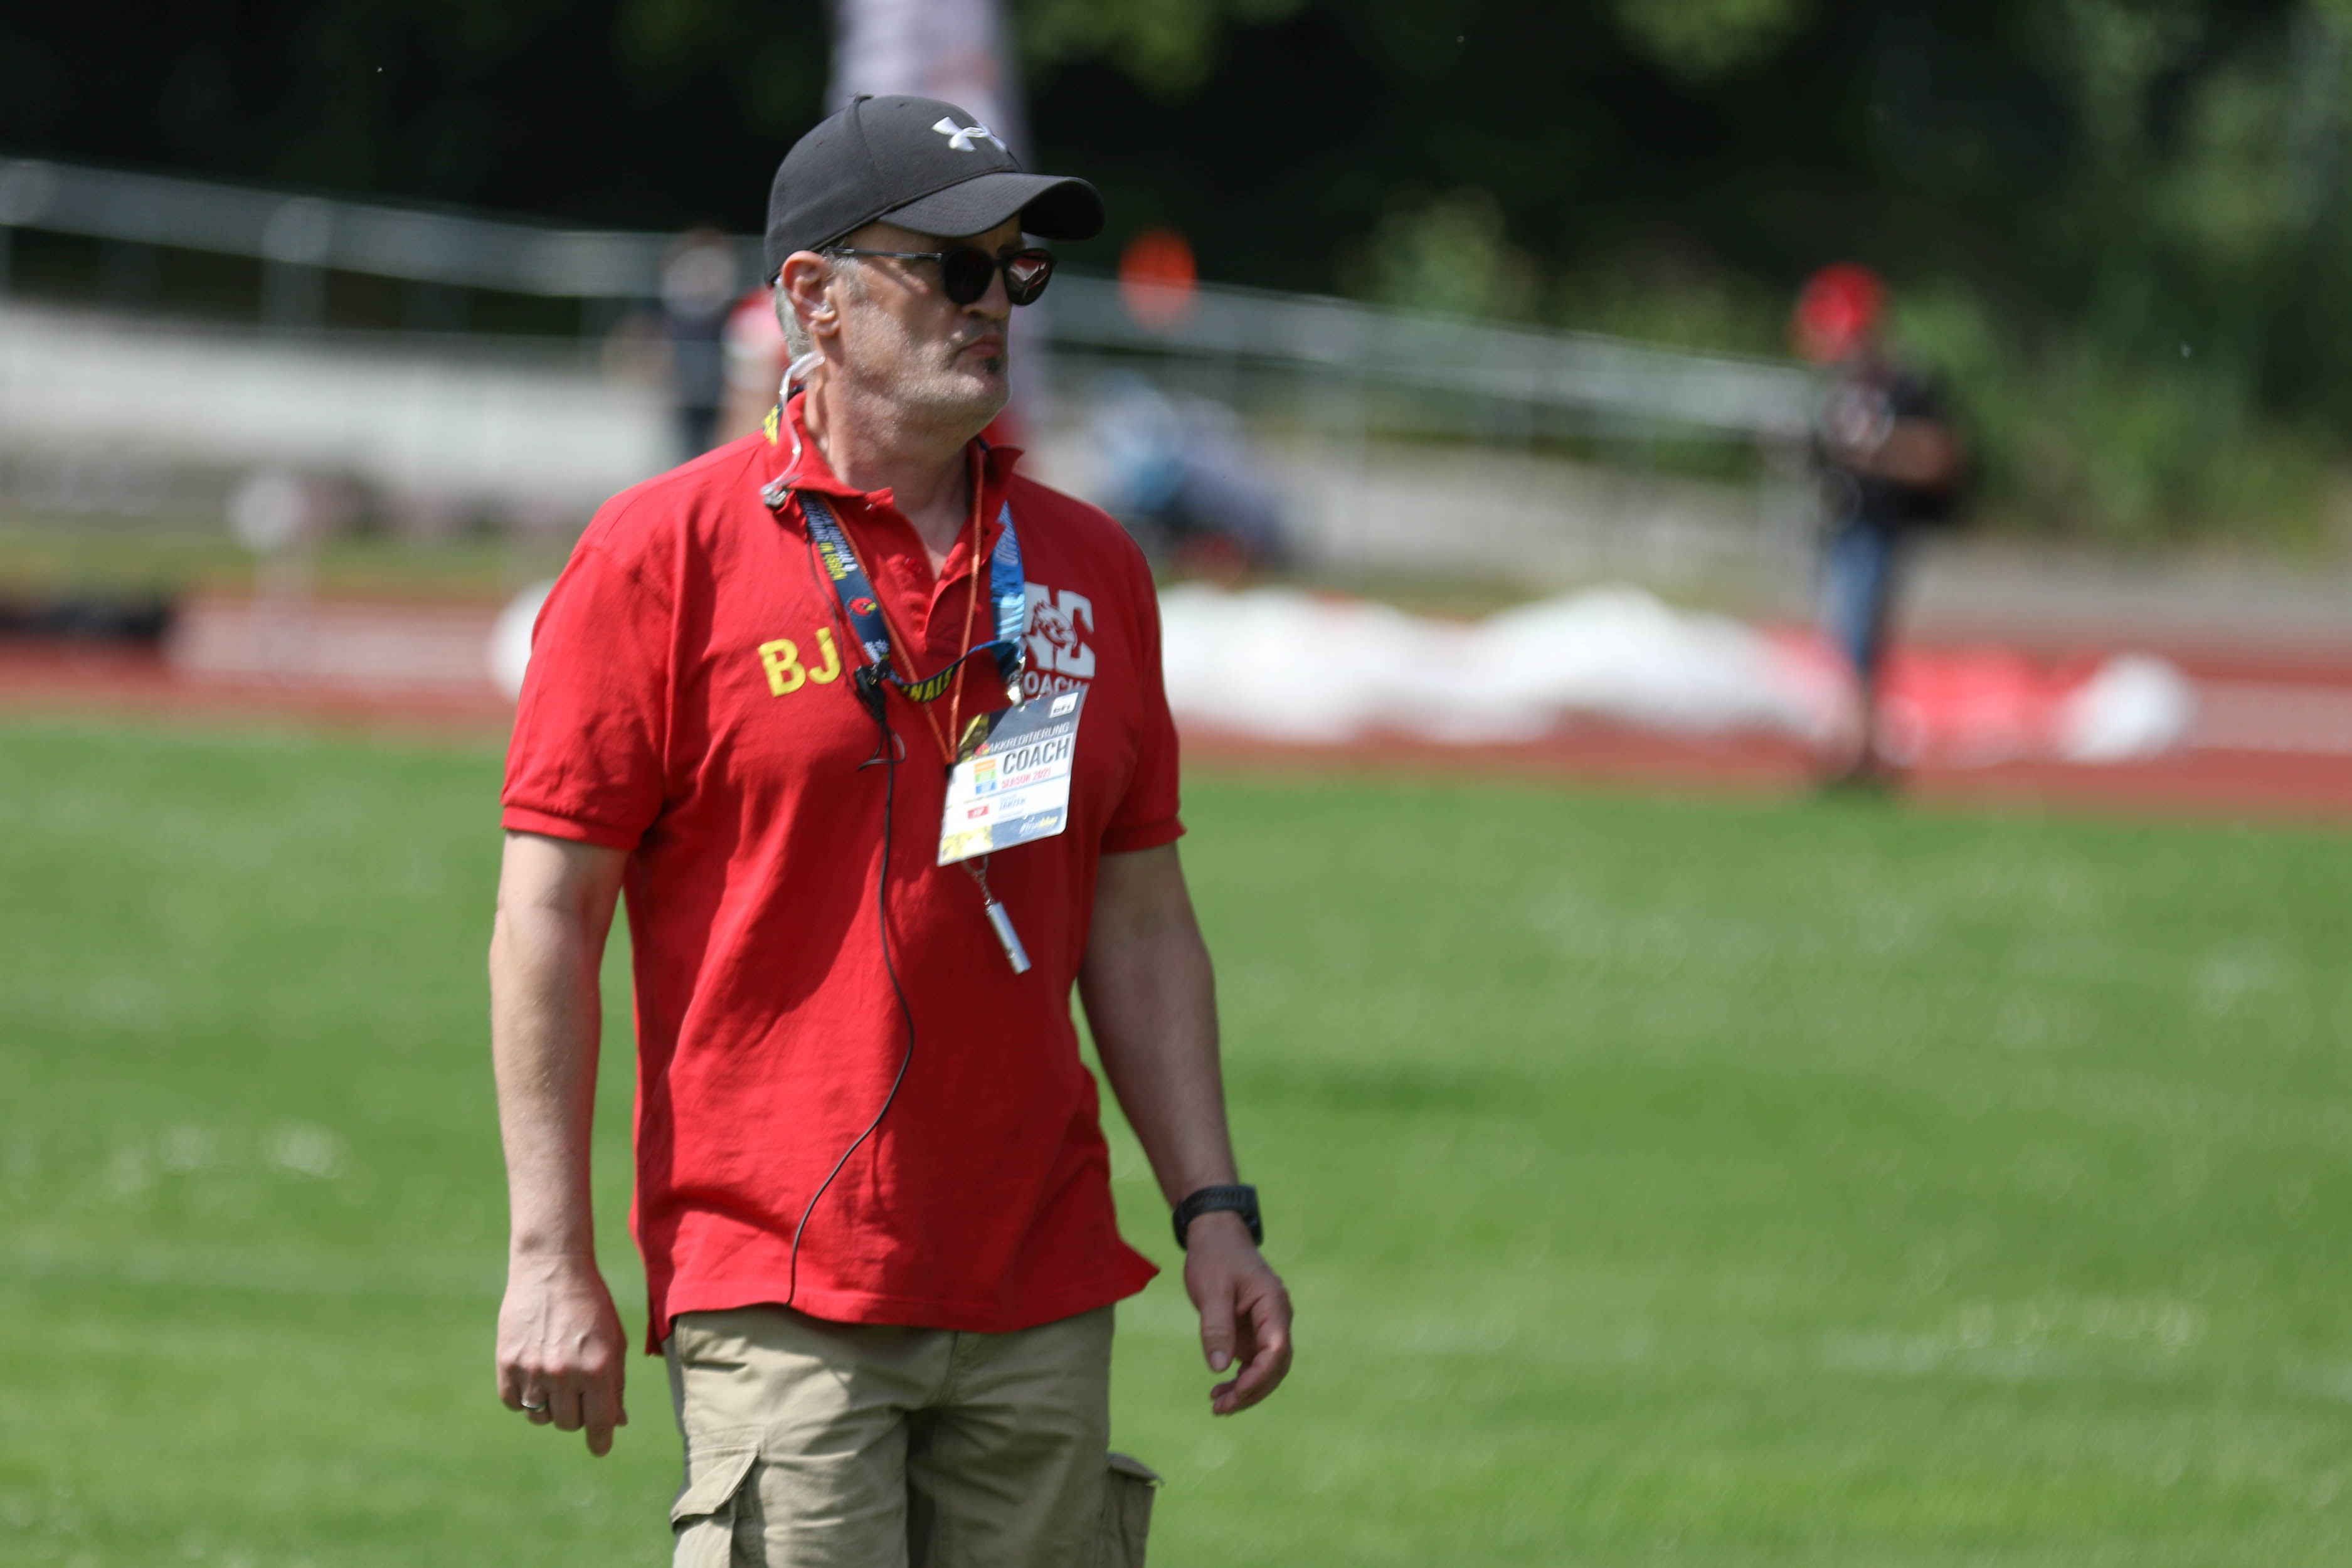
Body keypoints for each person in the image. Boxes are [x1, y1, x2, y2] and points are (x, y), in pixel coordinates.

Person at [488, 93, 1291, 1567]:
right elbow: (547, 913)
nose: (997, 307)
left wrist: (1212, 1210)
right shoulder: (659, 553)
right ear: (812, 295)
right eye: (954, 269)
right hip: (776, 1281)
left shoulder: (1088, 567)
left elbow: (1136, 917)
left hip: (1041, 1281)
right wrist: (550, 1255)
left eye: (1018, 271)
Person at [1794, 263, 1969, 783]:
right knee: (1844, 636)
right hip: (1841, 525)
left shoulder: (1904, 387)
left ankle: (1862, 750)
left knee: (1861, 636)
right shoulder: (1838, 389)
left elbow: (1941, 456)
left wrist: (1869, 456)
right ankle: (1852, 743)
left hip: (1878, 527)